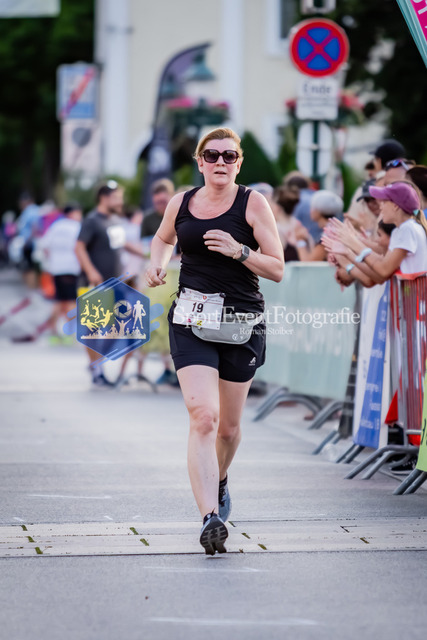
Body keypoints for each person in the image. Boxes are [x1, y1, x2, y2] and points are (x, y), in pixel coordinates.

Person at [144, 127, 284, 555]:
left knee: (228, 428)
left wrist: (239, 250)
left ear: (239, 163)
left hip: (241, 322)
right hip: (191, 318)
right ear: (200, 162)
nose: (220, 162)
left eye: (229, 156)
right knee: (203, 416)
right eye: (212, 155)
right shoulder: (181, 202)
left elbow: (277, 268)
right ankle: (210, 517)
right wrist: (157, 264)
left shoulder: (253, 203)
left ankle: (220, 479)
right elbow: (163, 238)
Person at [75, 183, 143, 386]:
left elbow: (123, 245)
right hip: (94, 283)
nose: (120, 201)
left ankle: (96, 363)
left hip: (116, 283)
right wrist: (90, 270)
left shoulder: (116, 220)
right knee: (93, 328)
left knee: (118, 326)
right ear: (104, 198)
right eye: (116, 197)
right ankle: (97, 371)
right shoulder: (92, 220)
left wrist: (149, 254)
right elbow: (79, 247)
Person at [323, 181, 427, 285]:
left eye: (384, 202)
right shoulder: (401, 230)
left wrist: (354, 242)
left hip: (415, 295)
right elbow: (380, 270)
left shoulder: (408, 228)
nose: (381, 207)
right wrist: (348, 252)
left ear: (395, 206)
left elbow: (384, 270)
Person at [39, 202, 82, 338]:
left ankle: (54, 329)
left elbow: (44, 245)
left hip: (56, 268)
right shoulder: (77, 227)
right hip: (71, 267)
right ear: (73, 213)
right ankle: (70, 331)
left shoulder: (56, 226)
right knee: (70, 300)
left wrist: (52, 259)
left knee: (59, 299)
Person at [294, 190, 344, 261]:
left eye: (313, 207)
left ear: (318, 211)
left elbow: (308, 263)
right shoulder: (334, 228)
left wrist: (300, 241)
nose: (310, 211)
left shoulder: (329, 234)